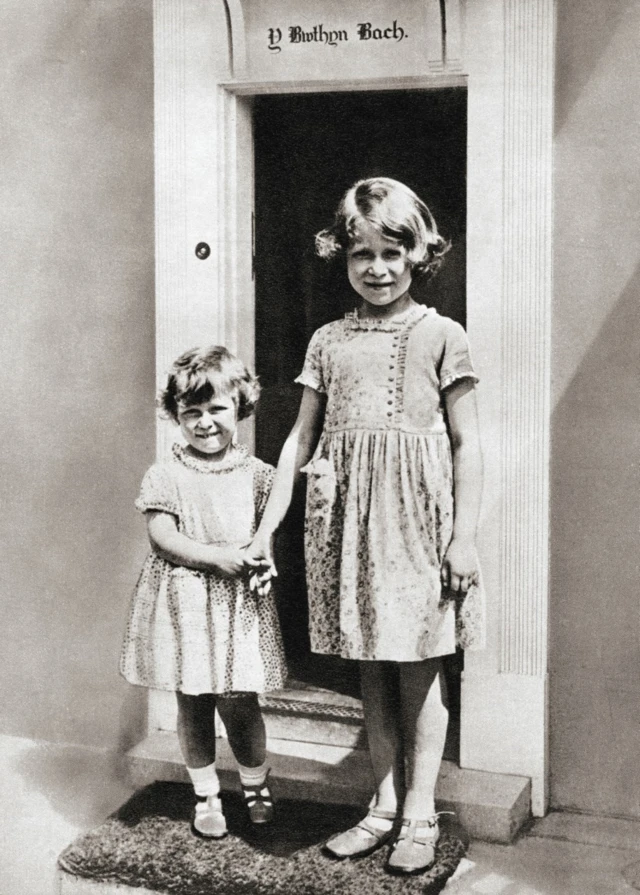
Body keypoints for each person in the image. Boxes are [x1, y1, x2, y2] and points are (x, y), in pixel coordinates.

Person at [246, 178, 484, 875]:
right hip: (345, 520)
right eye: (362, 254)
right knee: (371, 670)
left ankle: (420, 813)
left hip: (417, 521)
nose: (377, 267)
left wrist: (463, 535)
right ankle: (380, 807)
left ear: (420, 253)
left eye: (392, 251)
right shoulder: (327, 339)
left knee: (420, 664)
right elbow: (299, 437)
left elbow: (469, 442)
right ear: (341, 257)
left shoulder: (442, 334)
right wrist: (265, 529)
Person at [120, 345, 287, 839]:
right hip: (186, 601)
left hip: (237, 606)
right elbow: (163, 537)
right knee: (192, 701)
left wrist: (260, 564)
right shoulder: (165, 474)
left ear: (240, 407)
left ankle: (255, 782)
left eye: (216, 409)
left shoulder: (258, 475)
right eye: (191, 412)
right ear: (175, 416)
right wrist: (218, 558)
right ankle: (206, 794)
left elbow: (265, 538)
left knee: (239, 701)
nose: (204, 423)